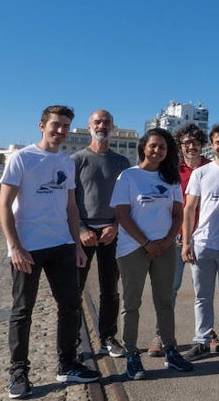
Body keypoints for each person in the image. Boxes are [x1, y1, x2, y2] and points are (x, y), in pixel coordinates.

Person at [0, 105, 99, 399]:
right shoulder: (22, 158)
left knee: (70, 306)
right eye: (55, 124)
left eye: (66, 126)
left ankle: (68, 364)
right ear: (41, 125)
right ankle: (18, 373)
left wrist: (77, 245)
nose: (60, 131)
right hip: (28, 247)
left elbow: (71, 207)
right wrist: (15, 246)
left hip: (61, 245)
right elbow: (4, 205)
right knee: (22, 311)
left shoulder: (67, 163)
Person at [111, 128, 194, 378]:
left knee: (165, 301)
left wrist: (168, 241)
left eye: (163, 147)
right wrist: (147, 243)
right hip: (133, 248)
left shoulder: (170, 179)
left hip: (165, 248)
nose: (157, 151)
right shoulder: (128, 176)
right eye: (153, 146)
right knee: (132, 303)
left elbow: (178, 213)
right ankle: (132, 356)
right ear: (144, 147)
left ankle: (171, 350)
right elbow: (122, 214)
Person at [181, 123, 219, 360]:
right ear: (212, 145)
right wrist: (187, 242)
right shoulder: (201, 173)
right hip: (203, 242)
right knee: (202, 295)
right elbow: (189, 209)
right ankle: (202, 339)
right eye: (217, 142)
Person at [71, 109, 131, 358]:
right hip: (83, 233)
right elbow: (70, 200)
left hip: (110, 232)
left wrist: (115, 225)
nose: (102, 125)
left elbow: (126, 200)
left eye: (106, 122)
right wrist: (82, 229)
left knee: (110, 289)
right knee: (74, 289)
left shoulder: (121, 162)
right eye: (97, 121)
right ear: (89, 127)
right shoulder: (76, 159)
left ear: (113, 127)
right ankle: (72, 338)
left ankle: (108, 336)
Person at [148, 123, 208, 357]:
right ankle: (161, 334)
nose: (191, 146)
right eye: (186, 143)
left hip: (204, 236)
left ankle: (206, 334)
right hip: (175, 236)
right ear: (179, 146)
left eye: (195, 142)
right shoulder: (170, 169)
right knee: (169, 288)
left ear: (202, 144)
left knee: (205, 290)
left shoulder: (211, 168)